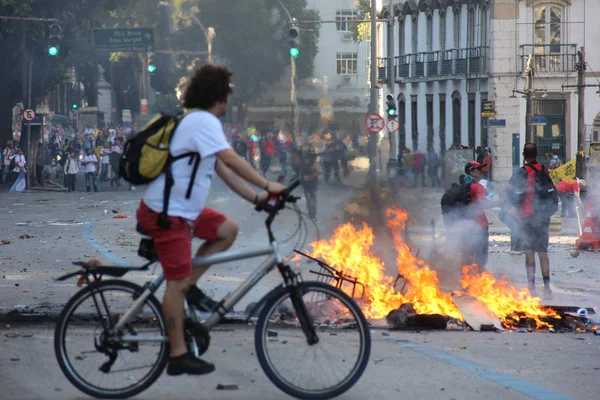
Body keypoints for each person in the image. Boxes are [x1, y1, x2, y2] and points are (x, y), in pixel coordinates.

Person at [136, 65, 285, 376]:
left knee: (227, 229)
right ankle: (177, 354)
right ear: (220, 94)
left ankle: (189, 285)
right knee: (174, 286)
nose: (230, 99)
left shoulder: (197, 122)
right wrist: (268, 185)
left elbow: (223, 170)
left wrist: (257, 198)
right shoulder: (203, 121)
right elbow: (232, 158)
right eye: (228, 93)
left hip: (182, 210)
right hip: (167, 213)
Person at [508, 143, 553, 298]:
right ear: (537, 153)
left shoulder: (522, 172)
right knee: (543, 252)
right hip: (543, 216)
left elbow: (508, 189)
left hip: (527, 216)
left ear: (523, 155)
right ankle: (547, 288)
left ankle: (532, 288)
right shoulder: (544, 168)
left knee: (529, 252)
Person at [461, 161, 496, 270]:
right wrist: (498, 202)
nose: (482, 171)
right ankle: (479, 279)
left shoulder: (465, 186)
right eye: (479, 169)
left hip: (466, 225)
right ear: (472, 172)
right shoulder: (478, 187)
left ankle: (466, 281)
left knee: (467, 256)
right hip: (480, 226)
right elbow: (485, 204)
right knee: (481, 256)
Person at [299, 144, 319, 221]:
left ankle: (312, 214)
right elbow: (301, 170)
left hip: (311, 182)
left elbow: (315, 171)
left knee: (312, 199)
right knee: (310, 199)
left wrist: (311, 177)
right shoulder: (304, 158)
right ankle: (311, 214)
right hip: (307, 182)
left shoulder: (312, 159)